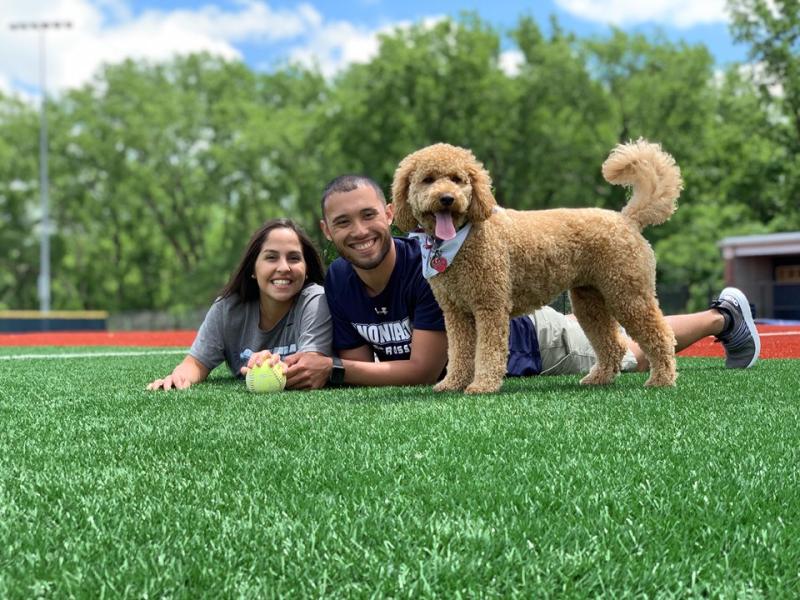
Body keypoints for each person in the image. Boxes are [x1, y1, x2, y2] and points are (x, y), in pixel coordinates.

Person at [286, 175, 761, 388]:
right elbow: (455, 319)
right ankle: (611, 363)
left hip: (537, 334)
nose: (444, 192)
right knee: (599, 325)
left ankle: (721, 319)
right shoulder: (421, 258)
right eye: (430, 182)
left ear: (389, 214)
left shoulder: (451, 249)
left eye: (369, 216)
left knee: (633, 325)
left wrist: (482, 378)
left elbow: (484, 315)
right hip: (519, 331)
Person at [146, 218, 332, 391]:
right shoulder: (228, 309)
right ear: (253, 269)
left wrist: (276, 366)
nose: (284, 267)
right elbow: (195, 364)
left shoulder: (315, 301)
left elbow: (311, 365)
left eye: (294, 258)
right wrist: (177, 379)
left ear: (306, 269)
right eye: (271, 257)